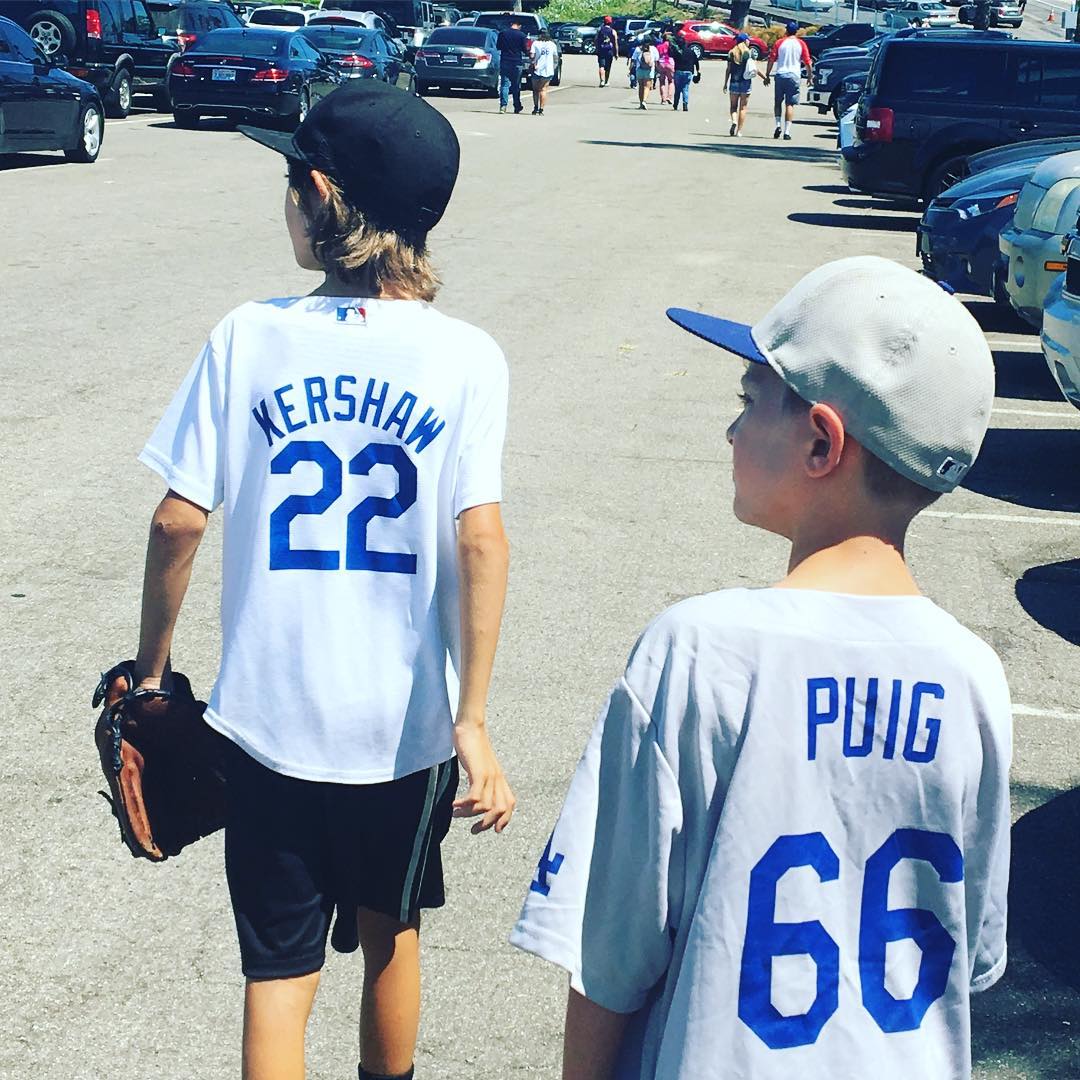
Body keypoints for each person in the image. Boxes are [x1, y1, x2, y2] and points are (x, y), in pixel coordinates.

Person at [511, 256, 1011, 1080]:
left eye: (749, 402)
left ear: (822, 440)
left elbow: (608, 957)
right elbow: (972, 955)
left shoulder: (699, 650)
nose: (732, 431)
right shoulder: (974, 675)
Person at [132, 82, 516, 1080]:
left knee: (279, 969)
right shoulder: (466, 356)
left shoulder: (249, 335)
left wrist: (152, 674)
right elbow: (481, 538)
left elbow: (179, 519)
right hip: (405, 728)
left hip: (271, 720)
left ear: (319, 194)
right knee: (391, 931)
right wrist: (471, 719)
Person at [764, 20, 811, 140]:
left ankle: (778, 125)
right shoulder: (801, 43)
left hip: (781, 74)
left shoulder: (780, 43)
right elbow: (807, 61)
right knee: (790, 104)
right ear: (796, 31)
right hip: (794, 75)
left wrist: (767, 74)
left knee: (778, 102)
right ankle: (787, 131)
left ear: (786, 30)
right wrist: (810, 76)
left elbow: (771, 59)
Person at [724, 31, 755, 136]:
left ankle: (734, 121)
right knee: (743, 107)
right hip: (746, 82)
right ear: (745, 40)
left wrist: (725, 83)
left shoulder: (731, 52)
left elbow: (728, 69)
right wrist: (765, 77)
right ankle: (739, 131)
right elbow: (754, 68)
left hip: (734, 82)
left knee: (733, 107)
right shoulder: (749, 53)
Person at [496, 16, 529, 114]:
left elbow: (498, 46)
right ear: (519, 25)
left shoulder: (503, 33)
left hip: (505, 61)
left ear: (511, 24)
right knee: (516, 85)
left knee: (504, 84)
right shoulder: (522, 35)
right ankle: (517, 106)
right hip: (516, 62)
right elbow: (524, 49)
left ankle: (503, 106)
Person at [669, 30, 699, 111]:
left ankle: (675, 104)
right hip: (688, 72)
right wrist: (698, 71)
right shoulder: (691, 51)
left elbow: (670, 55)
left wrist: (671, 46)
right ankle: (685, 104)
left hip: (678, 71)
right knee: (685, 88)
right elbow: (696, 62)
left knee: (678, 89)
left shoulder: (677, 52)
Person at [530, 28, 558, 115]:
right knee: (543, 89)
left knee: (535, 90)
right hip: (548, 69)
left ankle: (535, 107)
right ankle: (541, 109)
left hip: (537, 69)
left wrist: (533, 61)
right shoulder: (552, 44)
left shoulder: (535, 43)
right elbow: (555, 57)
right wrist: (554, 66)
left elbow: (532, 55)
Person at [635, 35, 658, 110]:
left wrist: (630, 69)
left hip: (639, 69)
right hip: (649, 70)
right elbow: (656, 60)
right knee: (647, 86)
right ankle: (644, 101)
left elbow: (633, 59)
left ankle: (641, 103)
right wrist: (657, 70)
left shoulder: (638, 49)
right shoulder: (654, 49)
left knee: (641, 86)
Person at [595, 14, 619, 88]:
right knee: (608, 67)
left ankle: (601, 81)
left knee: (601, 66)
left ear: (604, 22)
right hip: (609, 51)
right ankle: (606, 81)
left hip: (601, 50)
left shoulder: (600, 30)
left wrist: (597, 48)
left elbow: (595, 39)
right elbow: (615, 43)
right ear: (610, 22)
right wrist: (616, 53)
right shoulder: (613, 31)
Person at [656, 33, 676, 105]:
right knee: (671, 81)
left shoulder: (659, 46)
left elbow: (656, 57)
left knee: (662, 81)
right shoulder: (673, 46)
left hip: (661, 63)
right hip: (670, 63)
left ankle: (663, 99)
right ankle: (669, 97)